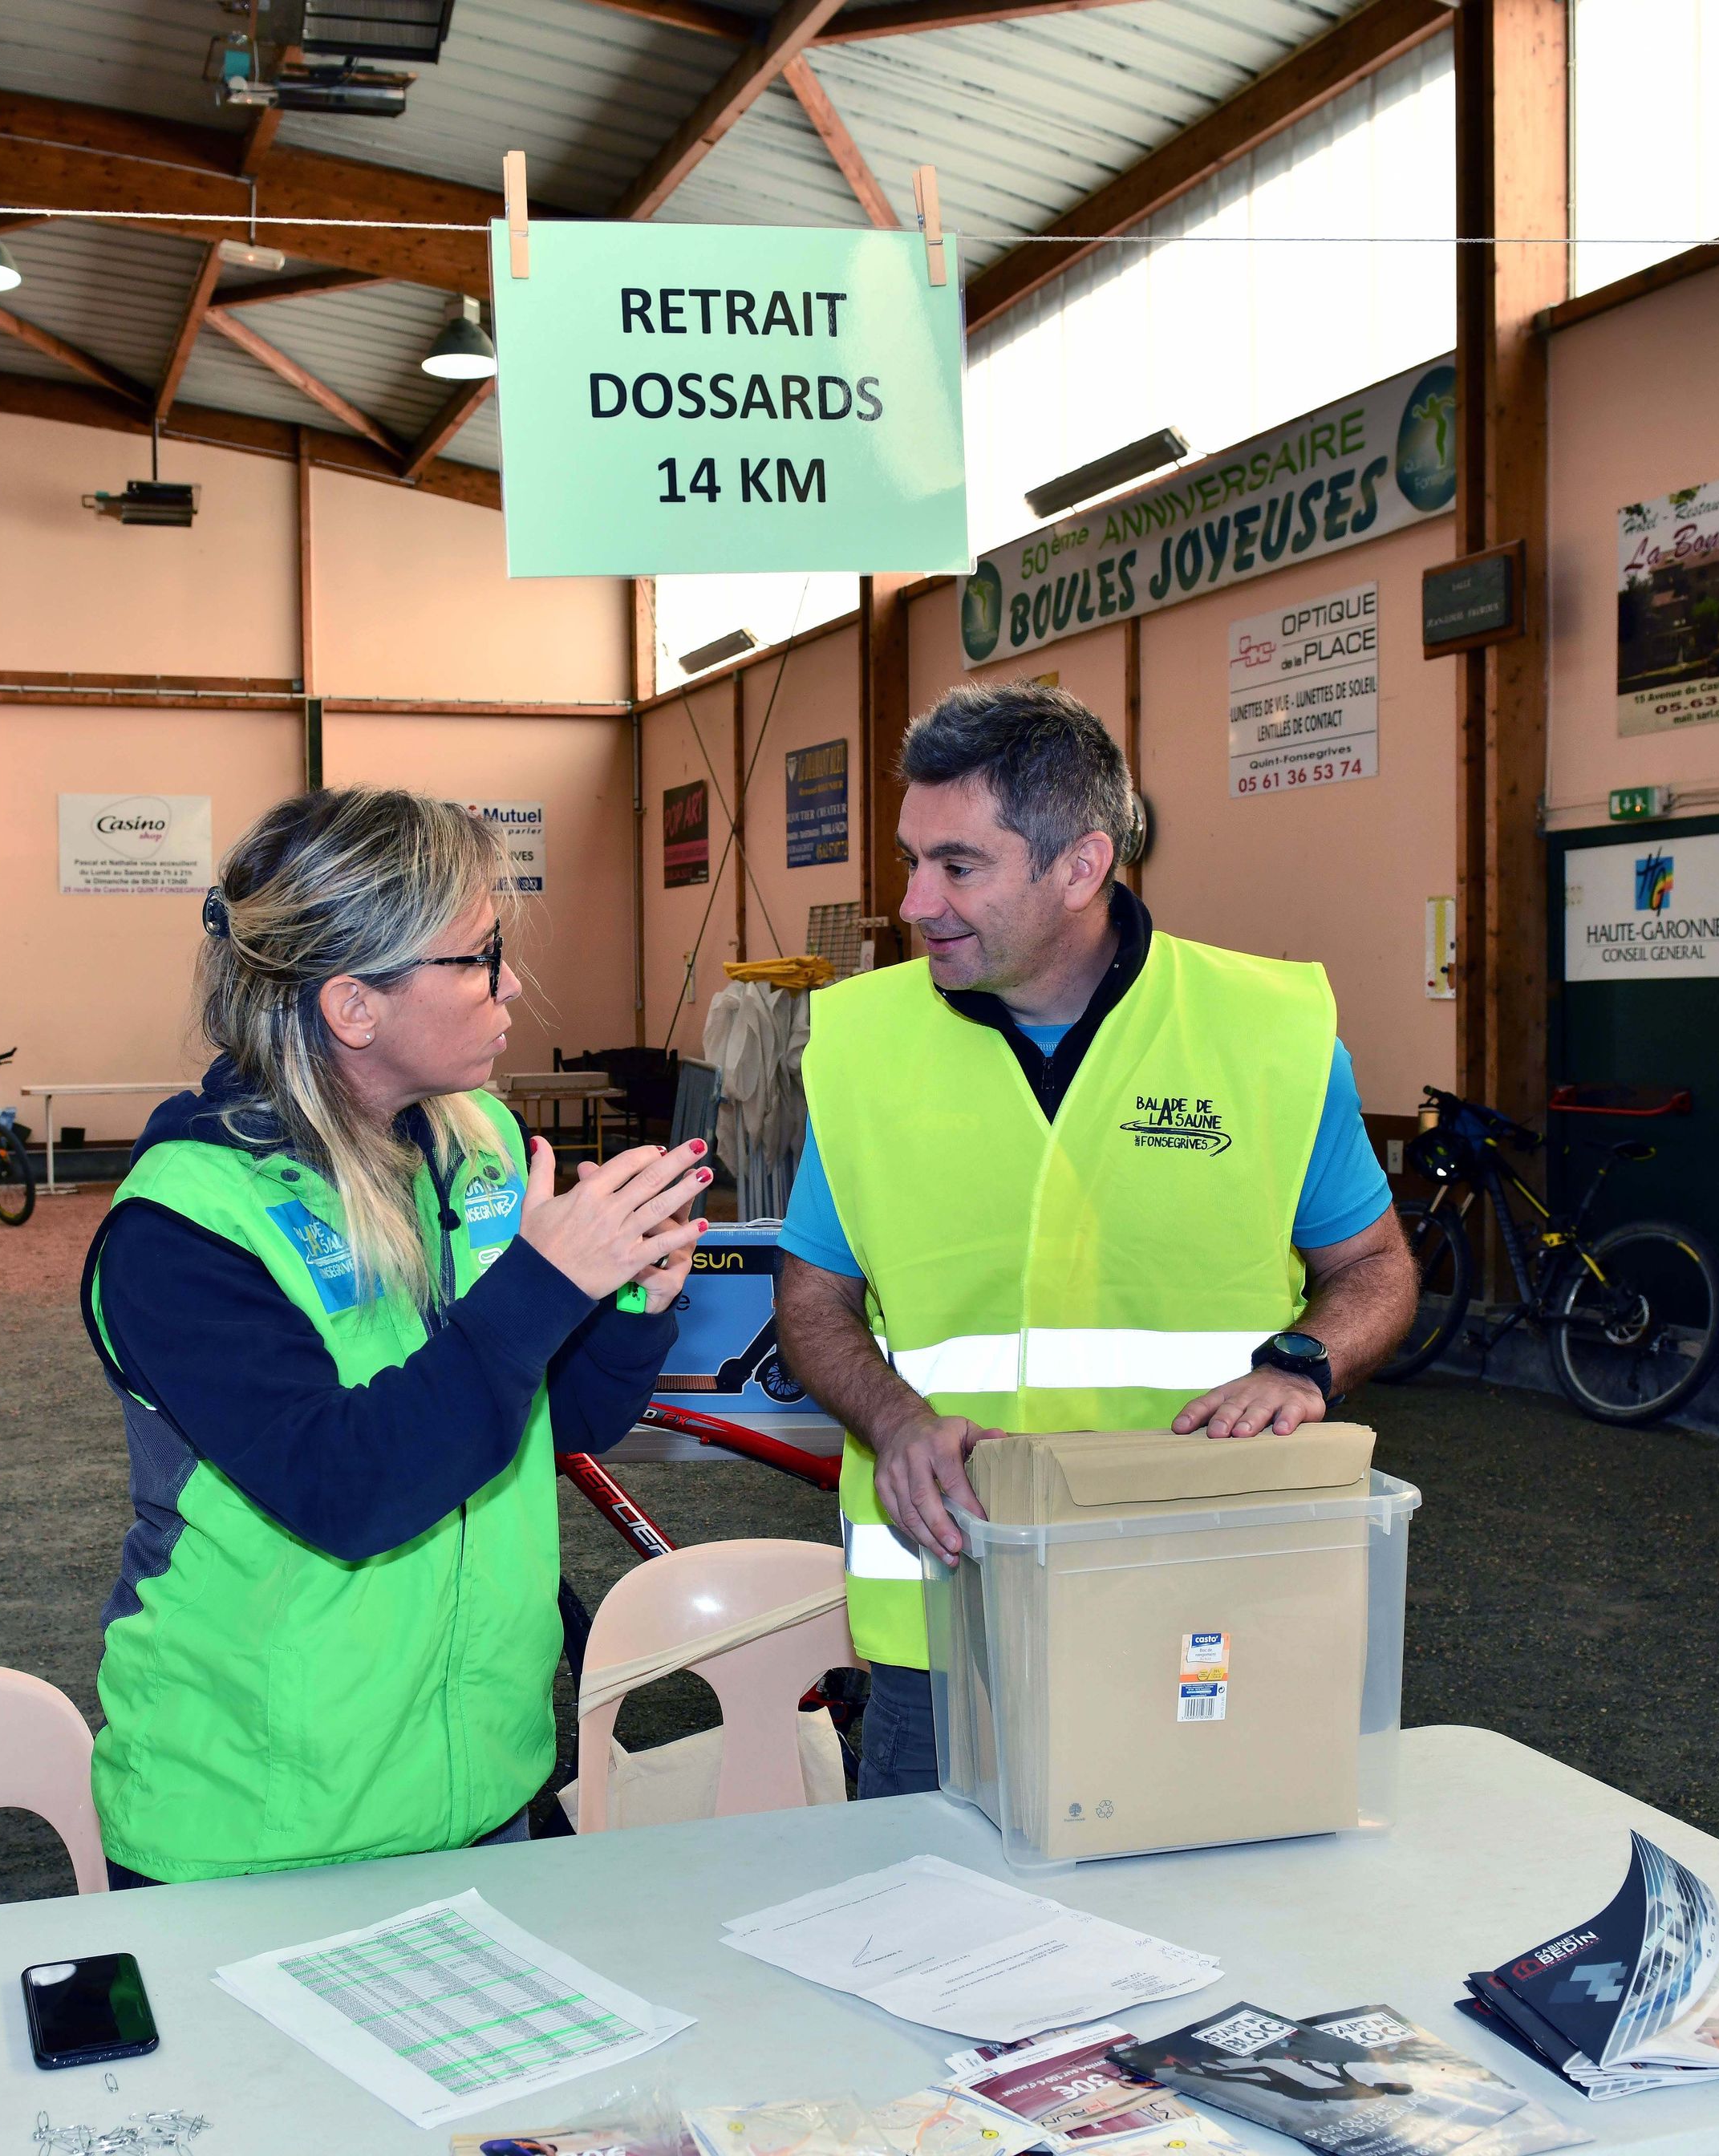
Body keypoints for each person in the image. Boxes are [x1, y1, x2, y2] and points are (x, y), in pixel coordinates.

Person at [775, 683, 1421, 1800]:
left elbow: (1371, 1269)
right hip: (950, 1609)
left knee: (1218, 1921)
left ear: (1081, 866)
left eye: (959, 867)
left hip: (1202, 1602)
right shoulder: (862, 1045)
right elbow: (814, 1299)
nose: (916, 900)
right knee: (937, 1937)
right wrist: (897, 1419)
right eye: (910, 858)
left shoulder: (1268, 1034)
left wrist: (1305, 1365)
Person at [78, 787, 713, 1883]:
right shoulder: (180, 1227)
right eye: (479, 957)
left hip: (484, 1782)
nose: (511, 984)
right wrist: (541, 1283)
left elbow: (555, 1421)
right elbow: (351, 1492)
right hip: (256, 1821)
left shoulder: (484, 1143)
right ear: (354, 1008)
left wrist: (629, 1305)